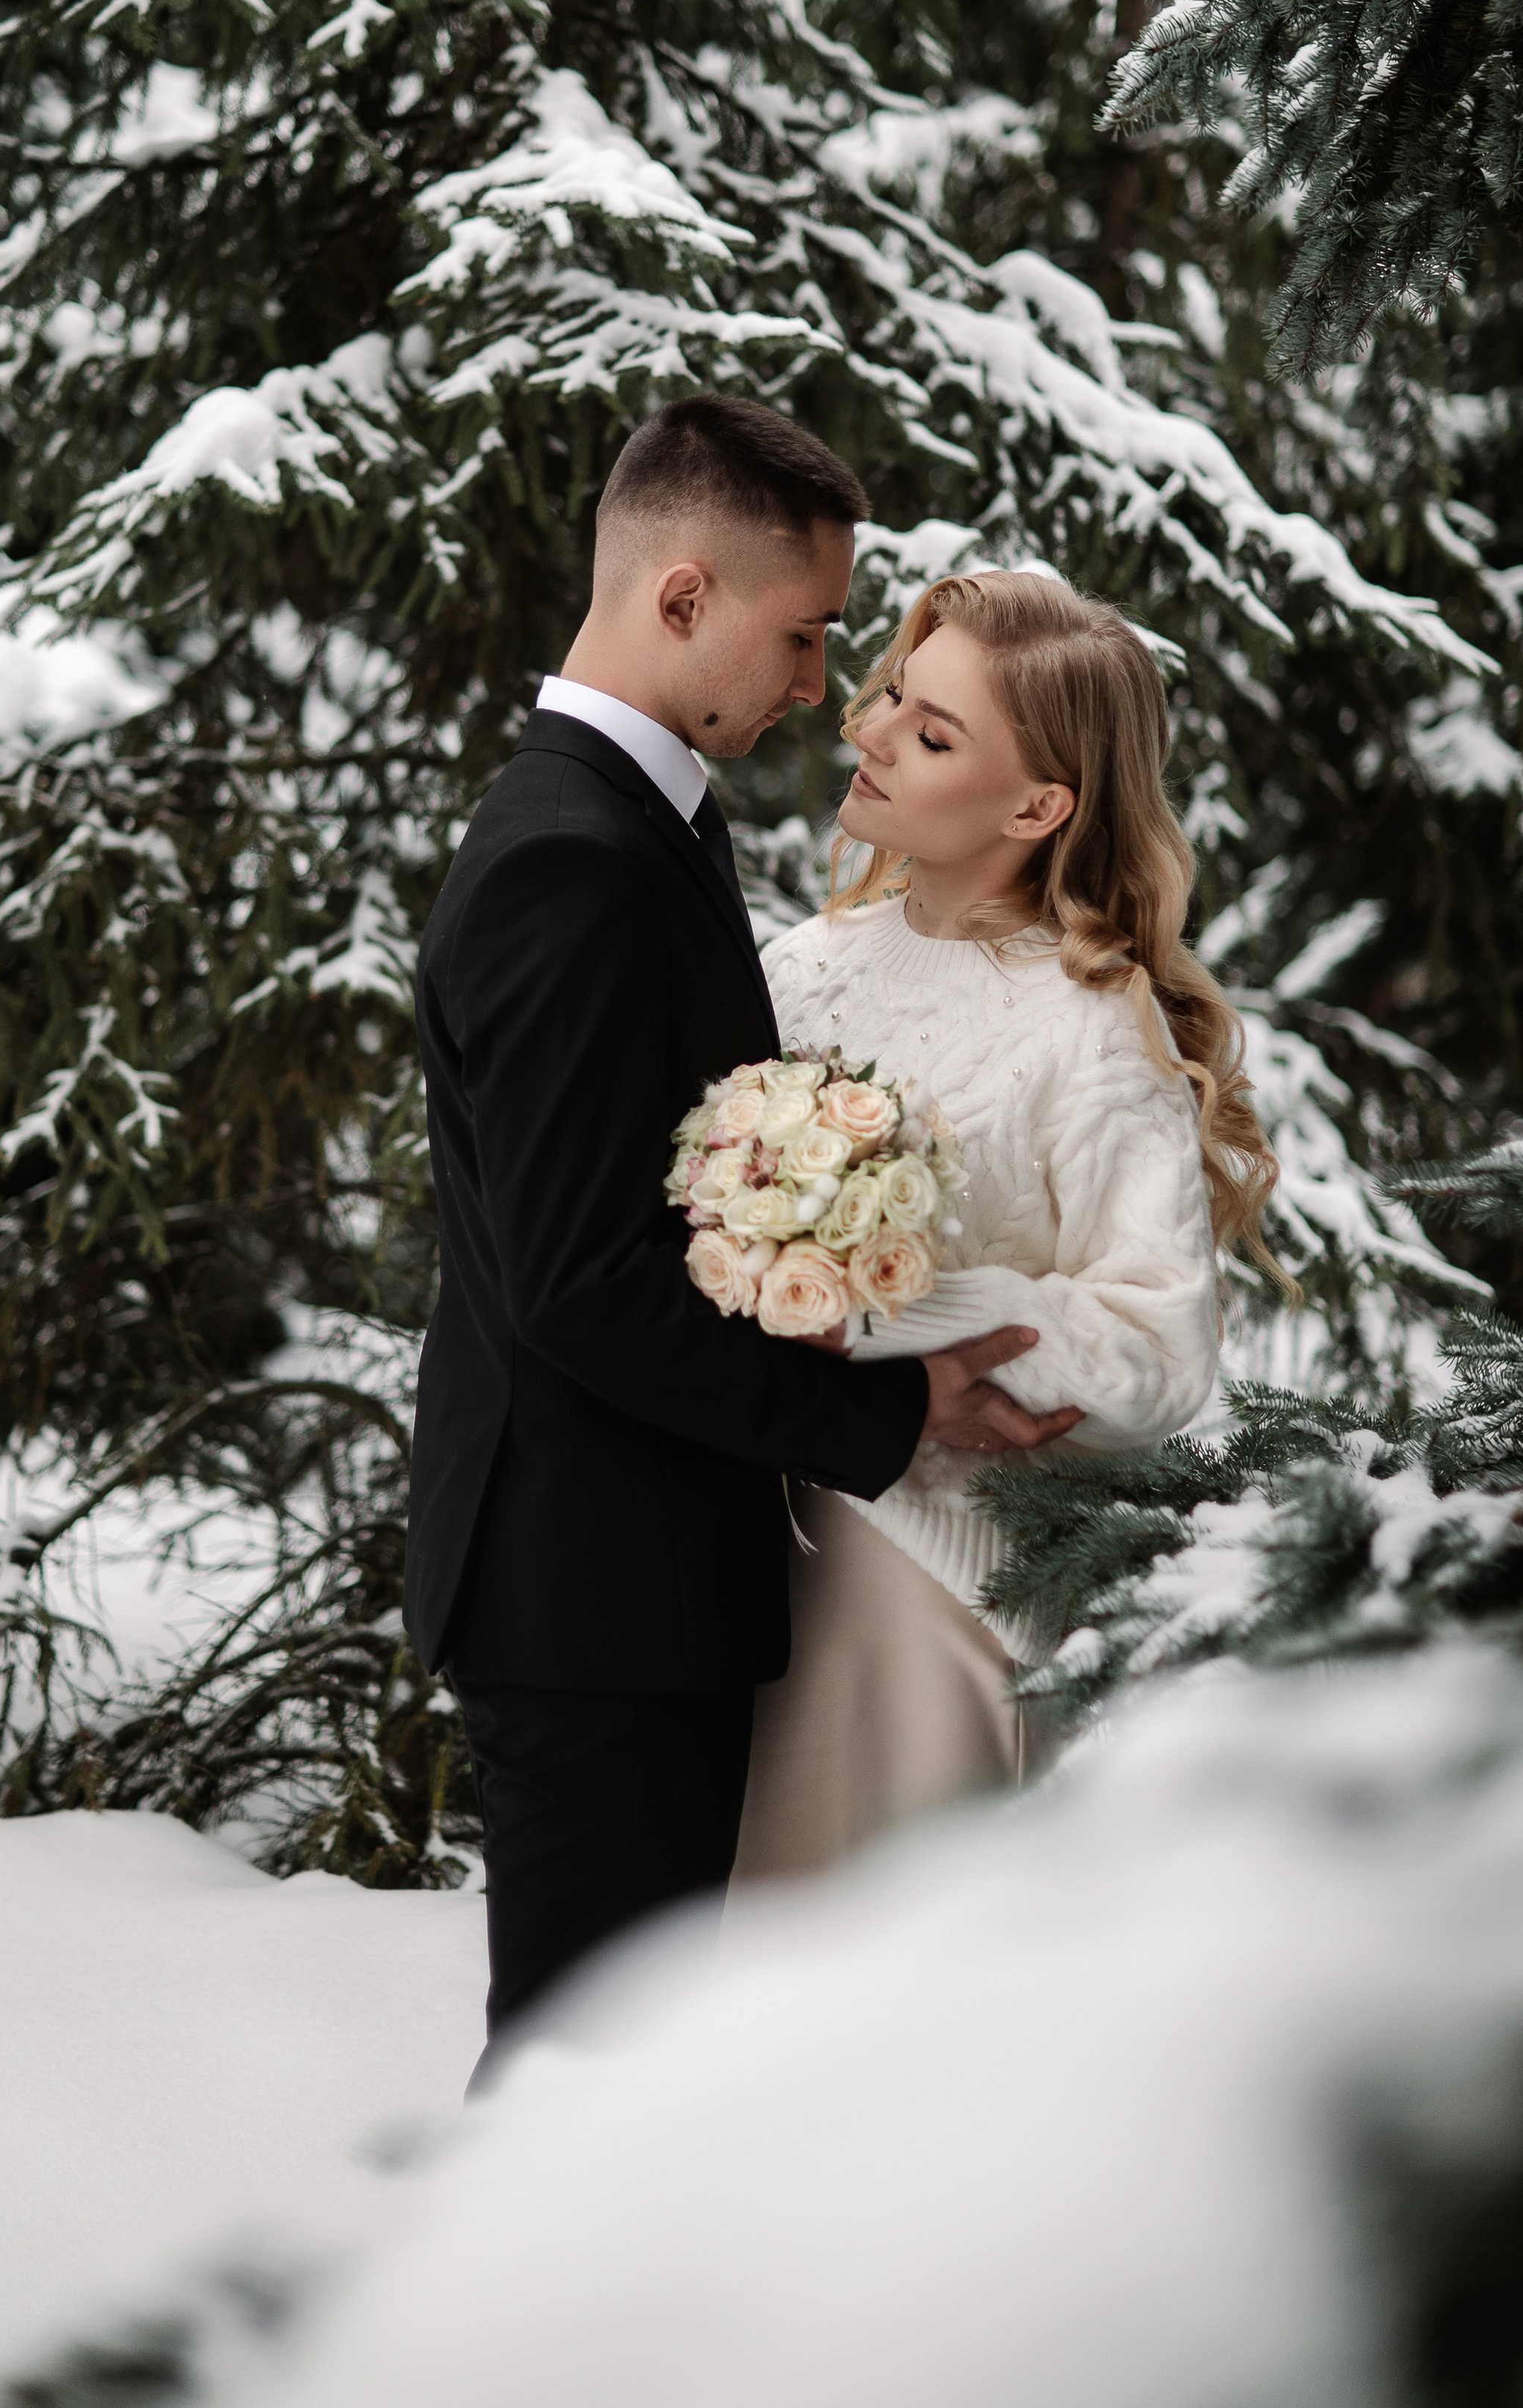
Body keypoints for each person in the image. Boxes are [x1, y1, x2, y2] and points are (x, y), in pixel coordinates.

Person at [408, 400, 1081, 2059]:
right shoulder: (572, 860)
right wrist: (882, 1412)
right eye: (802, 634)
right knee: (576, 2077)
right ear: (683, 595)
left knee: (620, 2074)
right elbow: (580, 1286)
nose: (816, 684)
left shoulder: (632, 818)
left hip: (631, 1575)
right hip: (593, 1592)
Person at [731, 568, 1289, 1883]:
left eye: (932, 736)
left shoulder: (1088, 1025)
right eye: (891, 698)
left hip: (929, 1586)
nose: (871, 733)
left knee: (880, 1970)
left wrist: (911, 1307)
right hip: (745, 1543)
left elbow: (1157, 1349)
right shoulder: (797, 966)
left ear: (1038, 807)